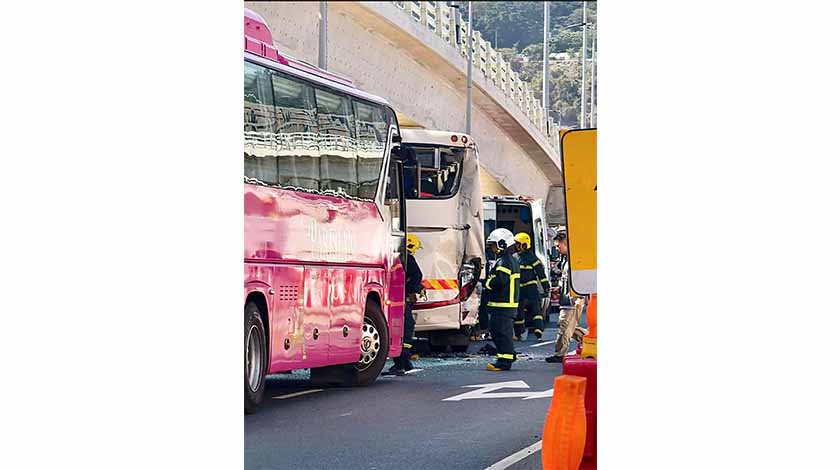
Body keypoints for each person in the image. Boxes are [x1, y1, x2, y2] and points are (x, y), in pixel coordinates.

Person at [384, 234, 425, 375]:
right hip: (401, 300)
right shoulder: (407, 258)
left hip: (394, 298)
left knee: (401, 329)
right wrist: (410, 290)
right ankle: (402, 363)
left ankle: (403, 363)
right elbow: (417, 276)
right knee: (405, 329)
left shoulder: (395, 256)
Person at [546, 231, 587, 363]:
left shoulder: (575, 260)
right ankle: (590, 339)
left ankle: (560, 354)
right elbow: (566, 280)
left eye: (558, 246)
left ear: (566, 244)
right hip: (566, 299)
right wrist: (558, 289)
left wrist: (579, 297)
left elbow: (580, 281)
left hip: (572, 300)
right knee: (569, 327)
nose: (557, 249)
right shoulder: (566, 260)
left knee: (564, 326)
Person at [483, 228, 521, 371]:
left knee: (500, 333)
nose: (492, 248)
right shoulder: (510, 260)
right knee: (502, 332)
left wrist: (487, 283)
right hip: (506, 305)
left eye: (493, 245)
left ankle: (504, 361)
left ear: (502, 244)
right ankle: (509, 354)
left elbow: (500, 281)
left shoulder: (504, 261)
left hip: (503, 305)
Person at [513, 232, 550, 340]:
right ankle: (531, 330)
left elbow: (541, 273)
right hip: (525, 288)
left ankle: (532, 330)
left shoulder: (517, 258)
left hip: (527, 288)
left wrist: (546, 286)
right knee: (525, 310)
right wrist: (546, 286)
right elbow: (540, 273)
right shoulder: (530, 257)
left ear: (524, 244)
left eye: (518, 244)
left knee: (530, 309)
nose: (516, 246)